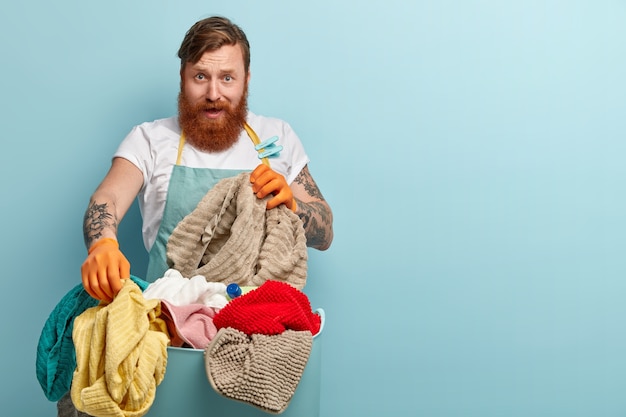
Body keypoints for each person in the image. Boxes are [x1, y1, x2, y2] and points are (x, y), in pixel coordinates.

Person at [80, 15, 333, 303]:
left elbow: (325, 235)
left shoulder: (278, 136)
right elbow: (107, 198)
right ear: (182, 77)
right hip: (168, 323)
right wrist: (102, 244)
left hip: (259, 319)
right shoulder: (148, 139)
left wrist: (293, 207)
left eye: (227, 78)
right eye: (200, 77)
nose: (214, 94)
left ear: (246, 80)